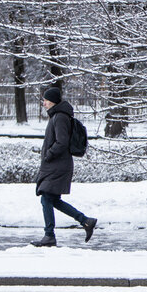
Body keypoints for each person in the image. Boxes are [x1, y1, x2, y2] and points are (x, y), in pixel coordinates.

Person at [31, 87, 97, 247]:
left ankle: (49, 236)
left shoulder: (59, 117)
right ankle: (85, 221)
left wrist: (49, 154)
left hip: (57, 165)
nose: (44, 103)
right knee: (52, 200)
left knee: (46, 198)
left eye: (46, 100)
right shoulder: (57, 116)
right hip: (56, 165)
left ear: (52, 101)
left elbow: (62, 142)